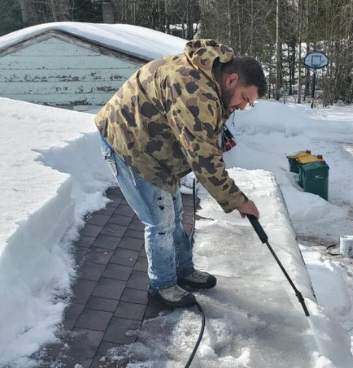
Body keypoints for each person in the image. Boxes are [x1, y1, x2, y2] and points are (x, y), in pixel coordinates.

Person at [94, 39, 267, 308]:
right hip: (130, 144)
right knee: (160, 221)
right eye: (245, 98)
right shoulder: (195, 89)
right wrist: (238, 200)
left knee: (174, 215)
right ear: (232, 80)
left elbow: (204, 139)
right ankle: (161, 285)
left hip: (156, 147)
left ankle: (183, 271)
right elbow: (203, 157)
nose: (244, 107)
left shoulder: (211, 79)